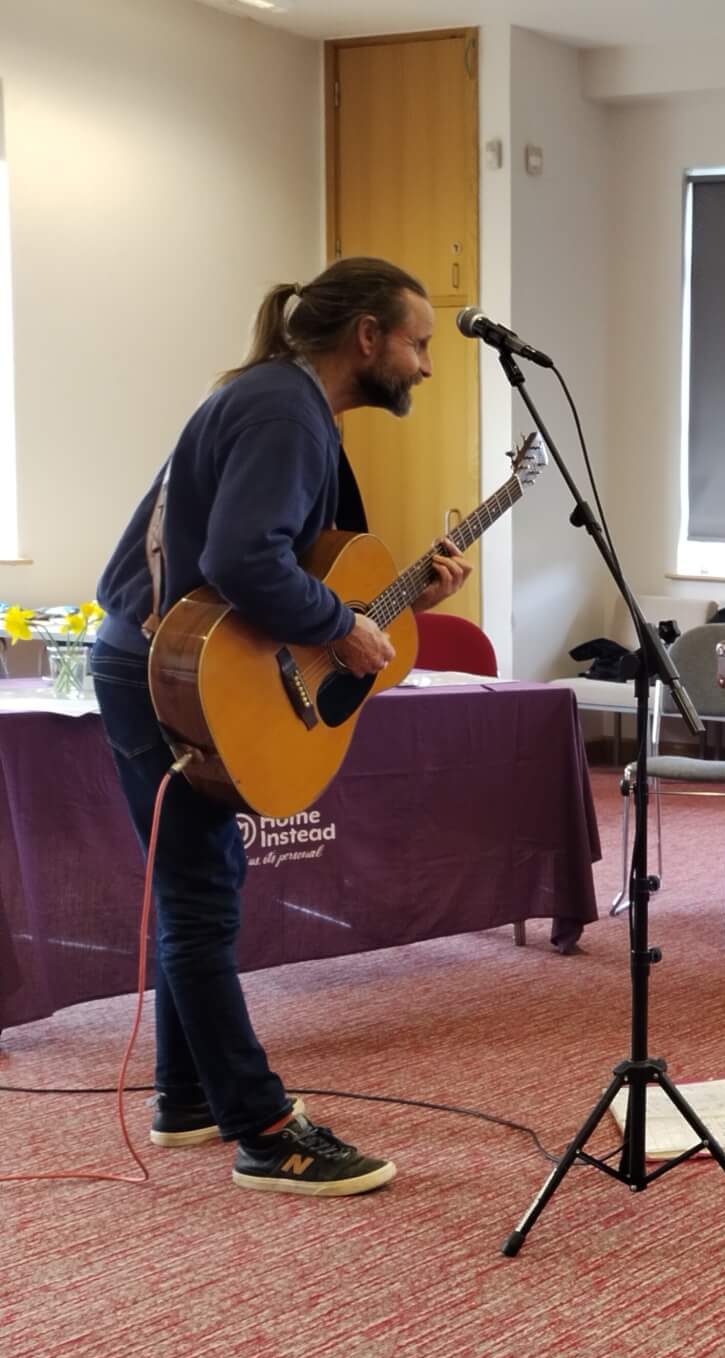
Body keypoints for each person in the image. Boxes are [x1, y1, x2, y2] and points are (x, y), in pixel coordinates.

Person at [91, 257, 471, 1196]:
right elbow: (241, 558)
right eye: (418, 343)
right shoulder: (282, 408)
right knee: (198, 899)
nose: (426, 365)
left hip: (180, 665)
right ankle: (267, 1132)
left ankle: (185, 1096)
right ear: (369, 338)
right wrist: (343, 626)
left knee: (201, 885)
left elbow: (281, 564)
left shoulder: (285, 405)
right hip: (163, 672)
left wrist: (391, 598)